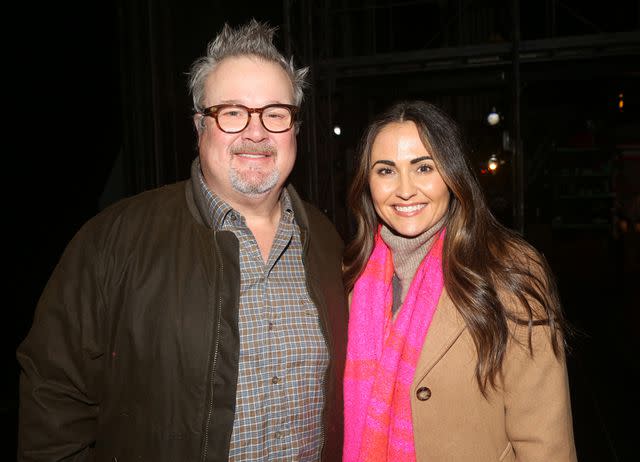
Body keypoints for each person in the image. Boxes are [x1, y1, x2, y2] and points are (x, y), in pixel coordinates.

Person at [17, 19, 347, 461]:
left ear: (295, 129)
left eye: (275, 113)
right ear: (199, 127)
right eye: (231, 112)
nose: (256, 131)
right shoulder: (114, 241)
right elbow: (52, 401)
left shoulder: (325, 242)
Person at [342, 100, 576, 461]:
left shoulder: (510, 271)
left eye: (423, 168)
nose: (405, 189)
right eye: (386, 171)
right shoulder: (354, 278)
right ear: (367, 183)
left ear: (452, 174)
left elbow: (544, 441)